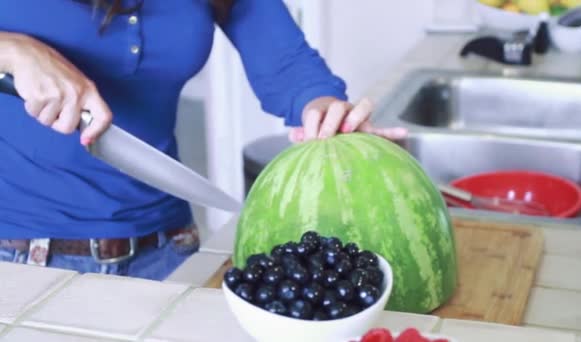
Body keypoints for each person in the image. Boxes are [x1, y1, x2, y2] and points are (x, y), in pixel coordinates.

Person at [0, 0, 406, 280]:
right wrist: (15, 50)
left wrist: (325, 109)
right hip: (19, 260)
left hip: (167, 251)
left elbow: (285, 63)